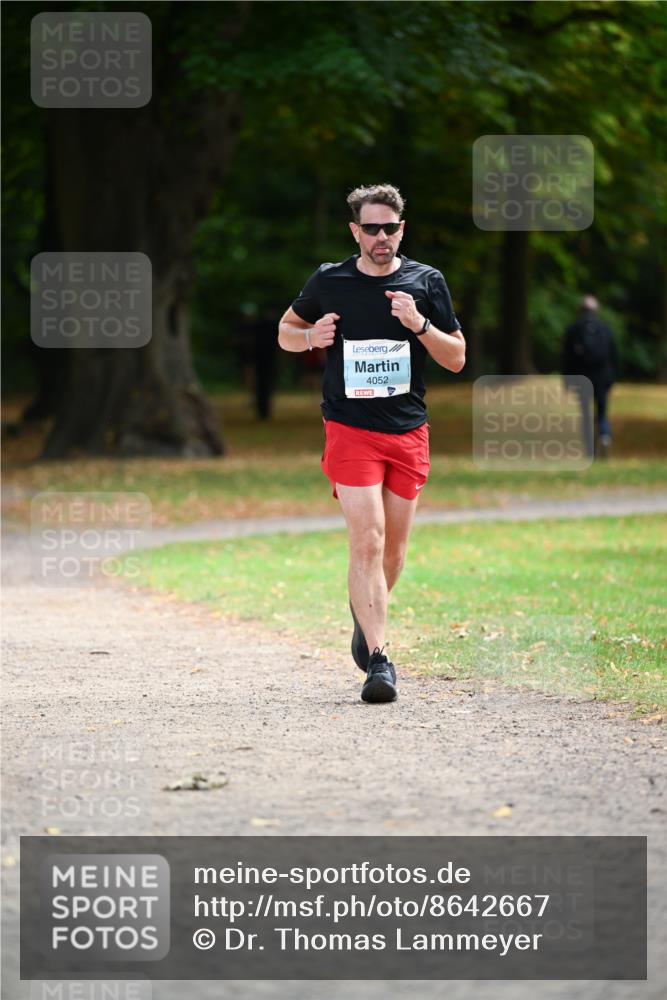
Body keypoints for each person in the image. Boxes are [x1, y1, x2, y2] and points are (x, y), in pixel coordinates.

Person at [278, 183, 465, 704]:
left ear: (401, 230)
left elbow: (456, 358)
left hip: (407, 430)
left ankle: (366, 617)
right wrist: (310, 338)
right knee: (368, 539)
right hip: (348, 426)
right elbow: (285, 331)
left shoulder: (426, 282)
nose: (381, 237)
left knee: (394, 550)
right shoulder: (330, 280)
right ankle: (379, 662)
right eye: (371, 228)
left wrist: (419, 323)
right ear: (355, 231)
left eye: (390, 228)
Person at [562, 295, 618, 459]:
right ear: (596, 310)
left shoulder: (573, 330)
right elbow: (614, 356)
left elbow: (567, 358)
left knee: (585, 415)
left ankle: (590, 451)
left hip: (582, 379)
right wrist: (612, 378)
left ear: (580, 310)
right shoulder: (605, 328)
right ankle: (605, 435)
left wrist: (567, 380)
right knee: (601, 412)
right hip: (602, 378)